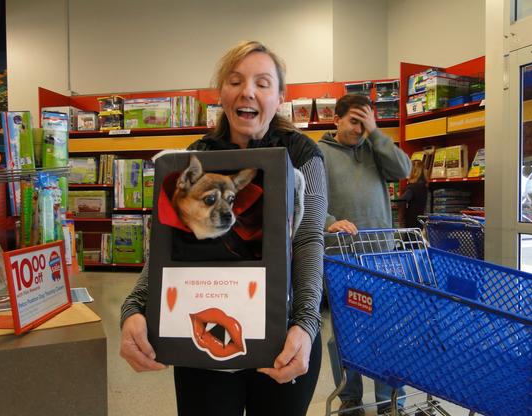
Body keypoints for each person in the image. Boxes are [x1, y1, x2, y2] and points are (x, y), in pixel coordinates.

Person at [119, 40, 327, 416]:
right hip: (205, 340)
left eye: (263, 83)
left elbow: (310, 238)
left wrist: (306, 323)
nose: (248, 91)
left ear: (280, 96)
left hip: (284, 339)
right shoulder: (193, 158)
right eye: (235, 81)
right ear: (222, 93)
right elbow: (168, 244)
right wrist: (133, 307)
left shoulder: (305, 156)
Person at [318, 93, 411, 415]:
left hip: (382, 256)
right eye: (355, 121)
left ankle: (388, 399)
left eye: (367, 122)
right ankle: (350, 398)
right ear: (337, 119)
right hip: (341, 257)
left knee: (385, 326)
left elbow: (403, 170)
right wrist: (329, 223)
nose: (360, 129)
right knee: (345, 331)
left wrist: (377, 133)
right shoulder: (318, 153)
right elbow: (305, 198)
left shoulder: (376, 148)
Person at [401, 159, 429, 228]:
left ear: (413, 171)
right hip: (421, 221)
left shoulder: (412, 187)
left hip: (411, 222)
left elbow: (403, 200)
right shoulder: (424, 185)